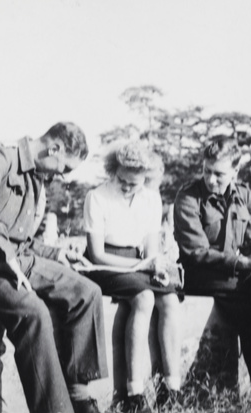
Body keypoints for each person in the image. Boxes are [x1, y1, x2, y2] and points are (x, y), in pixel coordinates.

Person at [0, 122, 108, 413]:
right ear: (53, 148)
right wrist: (7, 253)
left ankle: (79, 396)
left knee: (87, 292)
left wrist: (57, 255)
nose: (63, 176)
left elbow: (23, 243)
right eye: (65, 168)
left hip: (17, 260)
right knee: (34, 312)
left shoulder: (36, 181)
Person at [173, 136, 251, 407]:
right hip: (203, 277)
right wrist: (244, 261)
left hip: (237, 276)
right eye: (206, 170)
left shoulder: (244, 194)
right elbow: (197, 253)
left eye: (219, 174)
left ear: (235, 171)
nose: (210, 179)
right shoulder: (188, 197)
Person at [82, 141, 182, 413]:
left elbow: (151, 247)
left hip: (140, 261)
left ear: (145, 180)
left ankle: (171, 389)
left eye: (133, 184)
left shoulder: (151, 198)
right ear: (113, 169)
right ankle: (134, 393)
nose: (126, 187)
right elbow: (97, 253)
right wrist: (141, 266)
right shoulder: (97, 197)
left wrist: (156, 266)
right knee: (144, 297)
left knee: (170, 301)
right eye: (122, 180)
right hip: (106, 265)